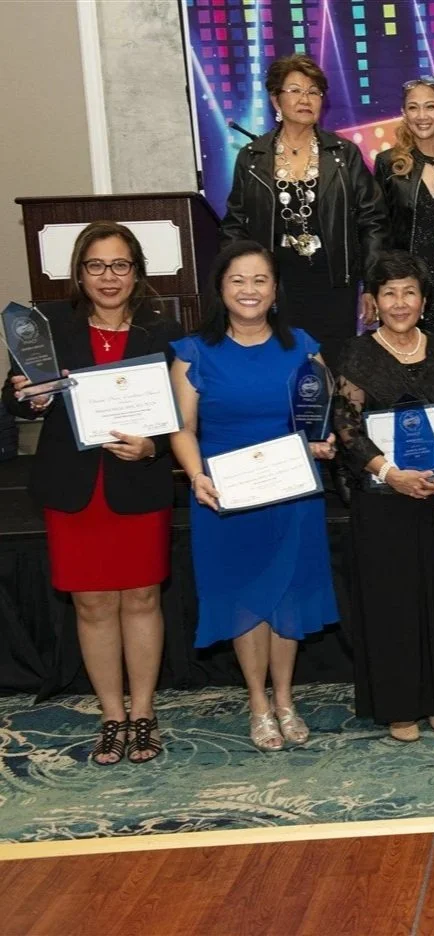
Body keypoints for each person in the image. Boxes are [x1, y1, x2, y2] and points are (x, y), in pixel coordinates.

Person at [3, 222, 183, 765]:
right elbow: (15, 396)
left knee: (142, 598)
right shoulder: (52, 327)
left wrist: (153, 448)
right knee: (93, 602)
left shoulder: (163, 332)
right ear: (79, 273)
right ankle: (111, 716)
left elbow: (183, 413)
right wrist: (29, 398)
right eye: (96, 266)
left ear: (137, 273)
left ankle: (143, 712)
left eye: (120, 265)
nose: (109, 277)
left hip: (138, 483)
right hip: (75, 487)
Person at [169, 241, 339, 751]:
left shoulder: (303, 347)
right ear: (221, 289)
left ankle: (285, 699)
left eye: (260, 280)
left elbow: (320, 415)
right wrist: (195, 475)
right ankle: (258, 704)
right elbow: (182, 428)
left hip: (292, 491)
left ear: (275, 289)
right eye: (238, 280)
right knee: (246, 596)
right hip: (226, 495)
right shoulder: (193, 352)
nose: (249, 290)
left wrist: (324, 442)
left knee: (288, 593)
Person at [332, 251, 434, 741]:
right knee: (392, 602)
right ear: (374, 302)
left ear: (424, 300)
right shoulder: (357, 354)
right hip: (384, 499)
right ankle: (399, 706)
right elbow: (347, 428)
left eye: (409, 292)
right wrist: (390, 472)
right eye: (389, 293)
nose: (400, 303)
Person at [221, 53, 386, 372]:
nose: (305, 99)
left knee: (334, 367)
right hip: (275, 286)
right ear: (276, 99)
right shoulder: (253, 157)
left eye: (313, 91)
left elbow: (373, 221)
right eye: (295, 90)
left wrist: (372, 284)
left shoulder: (343, 154)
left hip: (334, 283)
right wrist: (242, 283)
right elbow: (234, 225)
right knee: (282, 368)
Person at [372, 78, 434, 340]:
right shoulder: (389, 163)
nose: (422, 116)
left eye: (430, 107)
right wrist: (373, 285)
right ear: (404, 114)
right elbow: (377, 230)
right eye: (413, 108)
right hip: (409, 287)